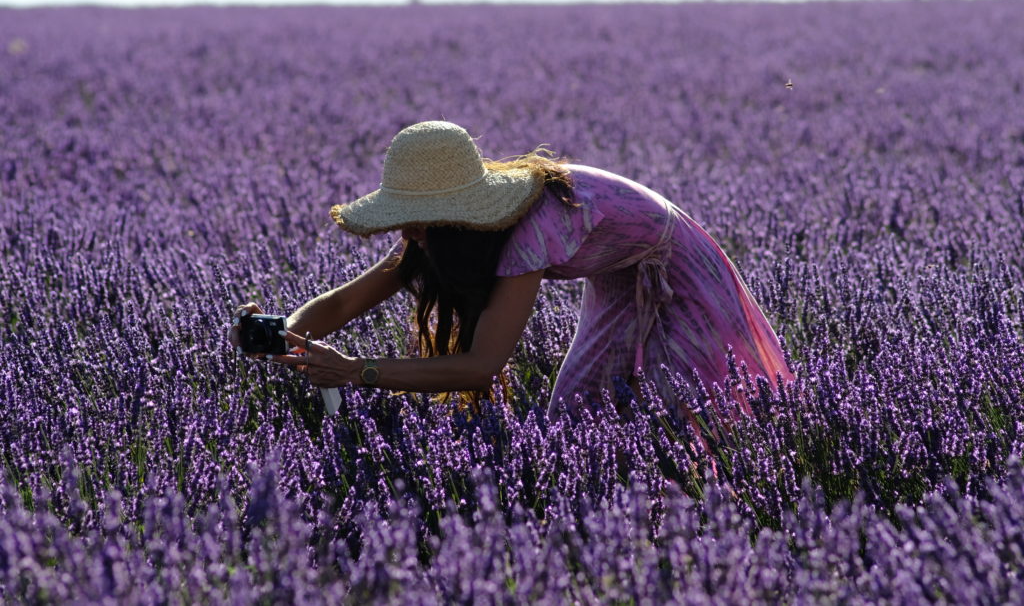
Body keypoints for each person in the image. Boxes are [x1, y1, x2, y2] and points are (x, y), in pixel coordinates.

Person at [229, 120, 793, 427]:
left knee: (689, 415)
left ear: (453, 214)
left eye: (414, 221)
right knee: (576, 413)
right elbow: (349, 302)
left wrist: (358, 372)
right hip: (619, 275)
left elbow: (481, 366)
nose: (408, 234)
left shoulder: (530, 230)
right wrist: (289, 332)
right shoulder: (442, 231)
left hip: (677, 271)